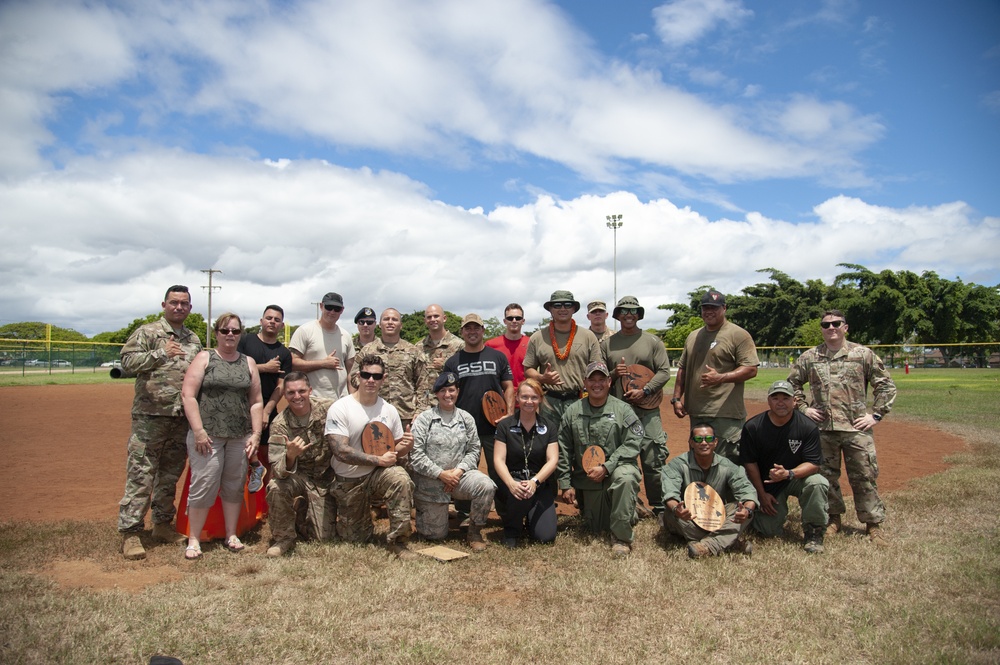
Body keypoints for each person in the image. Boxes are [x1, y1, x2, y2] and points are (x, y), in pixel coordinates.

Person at [787, 310, 897, 545]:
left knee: (864, 475)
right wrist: (804, 408)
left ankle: (873, 524)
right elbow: (791, 384)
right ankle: (832, 520)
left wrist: (876, 415)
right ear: (822, 329)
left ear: (845, 327)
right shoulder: (810, 356)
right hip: (823, 429)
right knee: (826, 477)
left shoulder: (863, 354)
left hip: (856, 427)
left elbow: (886, 386)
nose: (831, 328)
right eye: (826, 325)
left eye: (836, 323)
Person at [117, 285, 203, 560]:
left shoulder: (193, 339)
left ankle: (162, 524)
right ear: (164, 304)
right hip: (150, 416)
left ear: (190, 308)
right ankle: (131, 532)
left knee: (169, 474)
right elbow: (126, 363)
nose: (179, 307)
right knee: (142, 472)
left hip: (180, 418)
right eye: (174, 302)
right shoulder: (148, 332)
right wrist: (160, 353)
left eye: (184, 303)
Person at [180, 313, 264, 560]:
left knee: (234, 485)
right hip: (208, 436)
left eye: (235, 331)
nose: (230, 335)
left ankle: (231, 534)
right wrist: (198, 431)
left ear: (241, 334)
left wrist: (256, 434)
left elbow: (256, 401)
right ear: (216, 332)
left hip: (239, 435)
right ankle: (194, 538)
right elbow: (188, 395)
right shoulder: (205, 358)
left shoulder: (248, 362)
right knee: (205, 482)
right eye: (225, 330)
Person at [325, 354, 418, 559]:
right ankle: (359, 520)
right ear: (358, 376)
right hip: (348, 481)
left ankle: (399, 542)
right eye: (366, 375)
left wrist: (406, 446)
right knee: (355, 539)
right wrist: (378, 460)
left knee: (400, 478)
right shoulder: (341, 408)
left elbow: (394, 450)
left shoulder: (389, 410)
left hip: (377, 475)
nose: (371, 380)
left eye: (376, 376)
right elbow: (340, 451)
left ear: (383, 379)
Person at [556, 361, 642, 558]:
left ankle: (621, 539)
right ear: (584, 382)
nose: (597, 384)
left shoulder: (624, 410)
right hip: (587, 480)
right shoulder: (572, 411)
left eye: (601, 379)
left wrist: (608, 466)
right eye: (592, 380)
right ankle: (628, 509)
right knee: (595, 527)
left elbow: (633, 442)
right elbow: (564, 448)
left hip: (617, 471)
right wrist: (565, 483)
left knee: (626, 478)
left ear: (609, 381)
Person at [410, 372, 497, 552]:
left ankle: (474, 532)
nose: (447, 395)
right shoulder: (424, 419)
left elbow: (474, 450)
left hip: (459, 478)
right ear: (436, 394)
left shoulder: (466, 418)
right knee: (434, 536)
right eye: (443, 391)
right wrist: (441, 475)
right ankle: (426, 514)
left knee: (486, 485)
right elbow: (416, 455)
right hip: (431, 482)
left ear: (458, 391)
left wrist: (458, 472)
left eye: (451, 390)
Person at [671, 289, 759, 463]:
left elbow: (751, 369)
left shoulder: (738, 334)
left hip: (725, 414)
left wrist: (721, 377)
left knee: (727, 464)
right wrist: (676, 398)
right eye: (706, 307)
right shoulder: (693, 336)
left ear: (724, 308)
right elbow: (683, 368)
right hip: (697, 412)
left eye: (714, 307)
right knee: (700, 461)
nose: (709, 311)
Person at [740, 380, 829, 553]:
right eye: (775, 398)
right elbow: (749, 463)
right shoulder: (753, 427)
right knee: (767, 531)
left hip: (795, 478)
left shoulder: (807, 426)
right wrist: (761, 494)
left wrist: (788, 473)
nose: (780, 402)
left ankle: (814, 533)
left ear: (794, 401)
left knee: (817, 482)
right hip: (768, 484)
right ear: (768, 401)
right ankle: (765, 515)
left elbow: (814, 464)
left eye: (785, 398)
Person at [603, 296, 671, 518]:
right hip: (619, 411)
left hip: (648, 409)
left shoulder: (652, 341)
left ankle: (659, 507)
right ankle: (630, 505)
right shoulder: (607, 344)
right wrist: (614, 374)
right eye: (623, 311)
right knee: (622, 458)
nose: (628, 315)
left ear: (639, 314)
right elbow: (598, 377)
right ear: (617, 315)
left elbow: (663, 371)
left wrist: (646, 390)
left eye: (633, 311)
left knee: (653, 458)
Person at [442, 313, 514, 516]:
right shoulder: (452, 362)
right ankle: (464, 513)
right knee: (464, 471)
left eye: (476, 328)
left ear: (483, 330)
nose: (472, 332)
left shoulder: (497, 357)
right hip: (464, 427)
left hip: (495, 426)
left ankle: (504, 512)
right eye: (468, 328)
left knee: (499, 470)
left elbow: (508, 387)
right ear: (462, 332)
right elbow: (446, 393)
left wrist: (509, 413)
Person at [264, 372, 336, 557]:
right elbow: (278, 472)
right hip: (299, 477)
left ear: (310, 390)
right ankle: (284, 539)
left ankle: (302, 510)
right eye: (291, 393)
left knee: (322, 538)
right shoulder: (280, 424)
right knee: (276, 487)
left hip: (327, 477)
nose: (297, 397)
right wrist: (290, 456)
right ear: (285, 395)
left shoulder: (330, 408)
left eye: (301, 391)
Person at [661, 424, 758, 559]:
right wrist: (677, 509)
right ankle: (729, 541)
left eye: (709, 439)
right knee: (671, 513)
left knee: (747, 512)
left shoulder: (728, 466)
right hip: (687, 517)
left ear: (715, 442)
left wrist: (746, 511)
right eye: (698, 439)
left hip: (714, 515)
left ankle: (707, 545)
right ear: (691, 443)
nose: (704, 443)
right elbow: (669, 494)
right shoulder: (677, 465)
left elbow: (747, 492)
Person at [493, 378, 559, 547]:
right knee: (520, 490)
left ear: (540, 399)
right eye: (525, 397)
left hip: (539, 483)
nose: (529, 401)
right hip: (513, 484)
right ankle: (512, 530)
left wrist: (535, 482)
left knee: (545, 537)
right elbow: (498, 459)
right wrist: (511, 484)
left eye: (534, 397)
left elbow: (553, 460)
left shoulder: (549, 426)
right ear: (517, 398)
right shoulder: (505, 426)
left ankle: (531, 519)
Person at [237, 304, 293, 493]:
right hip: (240, 406)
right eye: (269, 318)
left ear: (282, 325)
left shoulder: (284, 353)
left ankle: (262, 504)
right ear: (261, 321)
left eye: (277, 320)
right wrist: (263, 368)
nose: (272, 322)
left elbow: (281, 386)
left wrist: (267, 412)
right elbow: (233, 368)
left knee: (266, 455)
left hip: (267, 408)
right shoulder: (245, 341)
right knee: (240, 453)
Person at [523, 290, 601, 421]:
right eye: (557, 305)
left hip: (579, 399)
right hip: (548, 402)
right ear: (550, 309)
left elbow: (597, 369)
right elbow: (528, 369)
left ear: (574, 309)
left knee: (579, 440)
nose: (563, 309)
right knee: (548, 440)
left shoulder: (588, 336)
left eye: (567, 305)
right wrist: (542, 378)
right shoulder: (537, 337)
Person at [351, 308, 430, 429]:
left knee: (405, 448)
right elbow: (354, 377)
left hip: (405, 416)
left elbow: (423, 383)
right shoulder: (367, 350)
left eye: (394, 319)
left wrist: (421, 410)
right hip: (373, 413)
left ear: (401, 325)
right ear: (379, 325)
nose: (390, 322)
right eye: (386, 319)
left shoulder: (413, 351)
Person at [289, 292, 355, 400]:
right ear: (321, 306)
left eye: (336, 309)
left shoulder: (346, 335)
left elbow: (351, 372)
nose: (332, 312)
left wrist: (352, 399)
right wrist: (323, 363)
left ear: (342, 310)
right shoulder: (305, 331)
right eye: (329, 307)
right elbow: (293, 363)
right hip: (313, 400)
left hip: (341, 400)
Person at [420, 304, 463, 396]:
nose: (432, 319)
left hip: (449, 401)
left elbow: (465, 375)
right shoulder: (418, 347)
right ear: (425, 321)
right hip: (424, 403)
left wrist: (445, 366)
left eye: (436, 316)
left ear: (444, 318)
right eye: (429, 317)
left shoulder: (459, 345)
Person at [485, 303, 530, 389]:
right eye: (510, 318)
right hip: (499, 396)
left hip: (525, 397)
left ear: (523, 321)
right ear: (504, 321)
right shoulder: (491, 345)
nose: (514, 321)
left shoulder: (531, 343)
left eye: (518, 318)